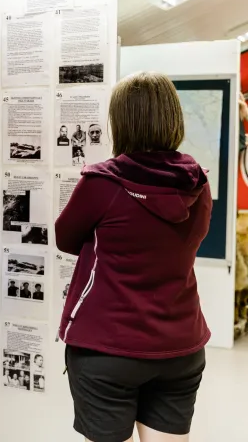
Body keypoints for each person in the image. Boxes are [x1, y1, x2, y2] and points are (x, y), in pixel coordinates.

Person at [56, 72, 212, 442]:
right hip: (180, 347)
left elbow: (65, 238)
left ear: (120, 122)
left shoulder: (103, 184)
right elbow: (191, 241)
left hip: (107, 349)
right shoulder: (197, 184)